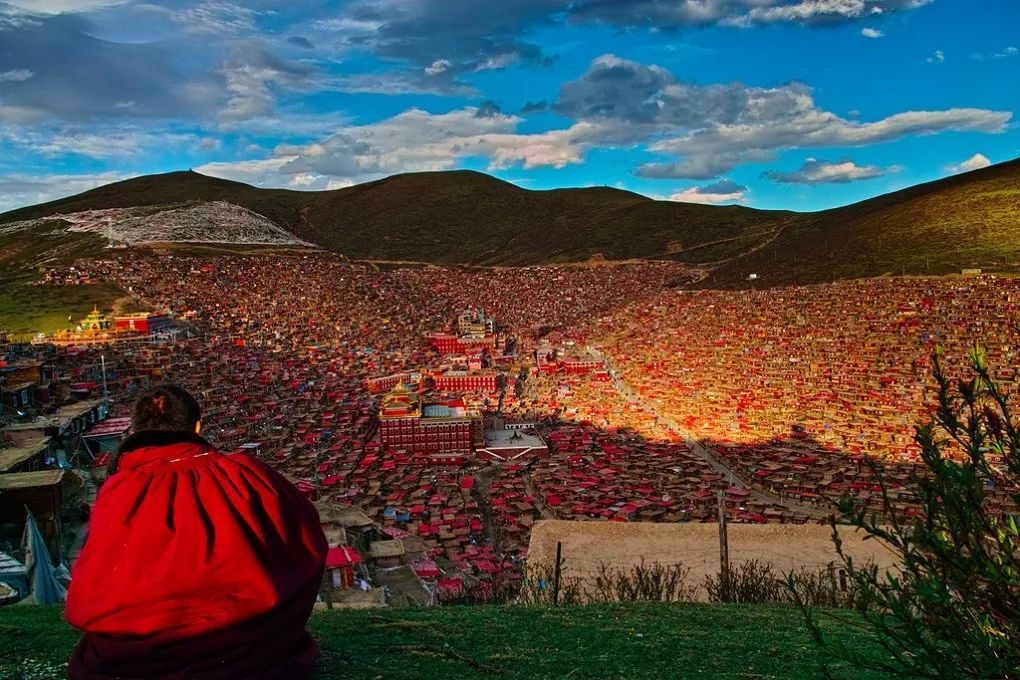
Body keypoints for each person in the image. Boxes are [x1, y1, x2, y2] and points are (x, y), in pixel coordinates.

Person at [65, 384, 328, 679]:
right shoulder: (244, 474)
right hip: (240, 644)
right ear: (198, 427)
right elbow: (307, 539)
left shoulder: (117, 489)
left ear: (135, 431)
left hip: (136, 653)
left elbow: (98, 576)